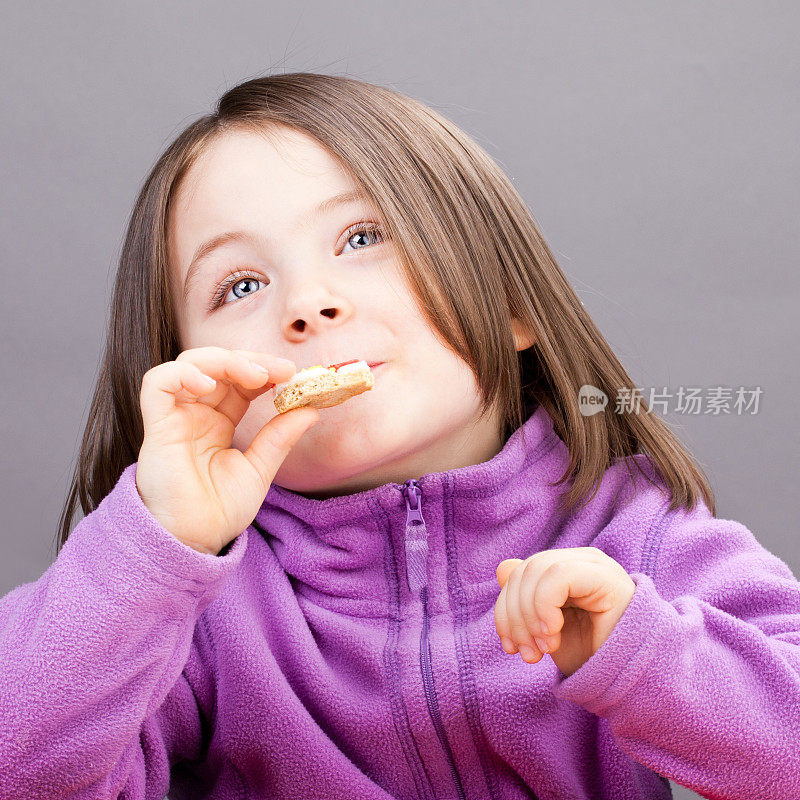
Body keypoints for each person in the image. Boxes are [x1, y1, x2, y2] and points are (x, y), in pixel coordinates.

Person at [1, 73, 798, 800]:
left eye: (361, 238)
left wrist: (640, 653)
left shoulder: (639, 539)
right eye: (241, 285)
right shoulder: (194, 613)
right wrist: (151, 549)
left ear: (512, 303)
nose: (308, 304)